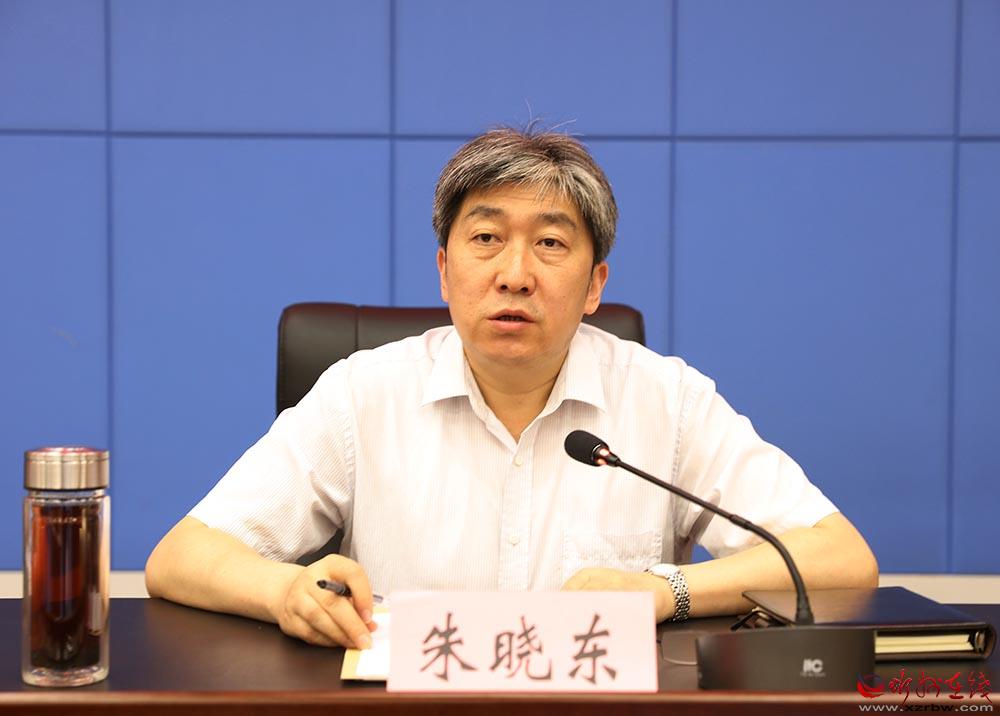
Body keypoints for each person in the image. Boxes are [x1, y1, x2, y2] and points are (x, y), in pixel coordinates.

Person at [145, 127, 878, 651]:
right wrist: (286, 592)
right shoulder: (362, 395)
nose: (515, 274)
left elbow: (840, 560)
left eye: (551, 243)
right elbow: (179, 558)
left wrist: (667, 591)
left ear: (594, 286)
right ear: (445, 271)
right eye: (486, 238)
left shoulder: (669, 400)